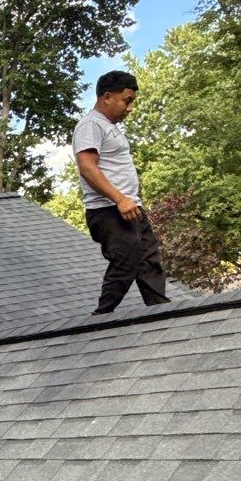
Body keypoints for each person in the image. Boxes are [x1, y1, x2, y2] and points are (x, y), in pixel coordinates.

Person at [72, 71, 169, 315]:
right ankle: (101, 317)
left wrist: (129, 201)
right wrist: (120, 199)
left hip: (129, 207)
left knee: (149, 262)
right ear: (106, 97)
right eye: (127, 101)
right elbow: (86, 166)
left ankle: (163, 314)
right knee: (127, 260)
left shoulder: (109, 127)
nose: (130, 108)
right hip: (109, 210)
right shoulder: (90, 125)